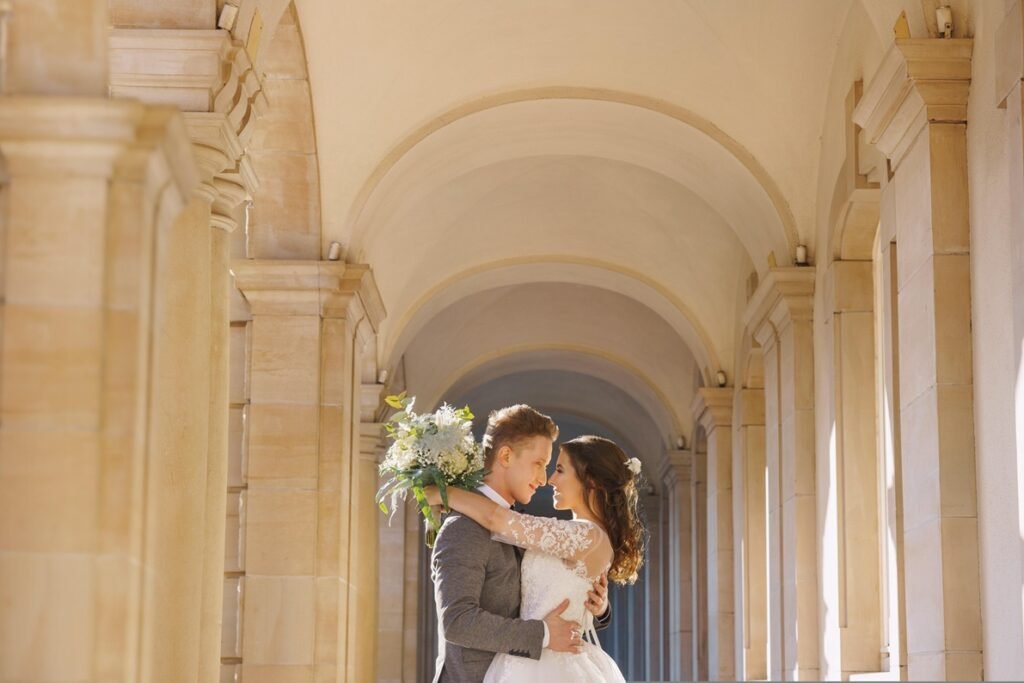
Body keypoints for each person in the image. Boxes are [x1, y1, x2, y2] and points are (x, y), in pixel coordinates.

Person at [428, 432, 646, 682]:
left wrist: (445, 493)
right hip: (528, 658)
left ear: (592, 482)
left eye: (560, 470)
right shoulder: (575, 536)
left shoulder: (586, 536)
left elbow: (496, 519)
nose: (550, 480)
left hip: (547, 664)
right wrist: (601, 610)